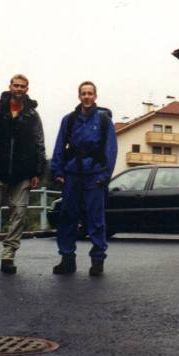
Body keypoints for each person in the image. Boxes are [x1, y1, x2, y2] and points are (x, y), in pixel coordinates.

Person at [0, 74, 46, 274]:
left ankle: (8, 257)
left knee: (18, 216)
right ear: (10, 86)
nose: (19, 89)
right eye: (16, 85)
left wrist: (37, 171)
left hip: (23, 174)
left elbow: (40, 143)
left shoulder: (32, 115)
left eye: (23, 86)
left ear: (27, 90)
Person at [50, 81, 117, 276]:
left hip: (94, 176)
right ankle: (67, 259)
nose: (87, 97)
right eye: (83, 93)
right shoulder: (69, 120)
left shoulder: (104, 121)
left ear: (96, 96)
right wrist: (58, 172)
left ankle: (97, 261)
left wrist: (105, 176)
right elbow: (59, 146)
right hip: (72, 175)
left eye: (90, 93)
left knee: (96, 220)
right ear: (79, 96)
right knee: (67, 217)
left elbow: (111, 150)